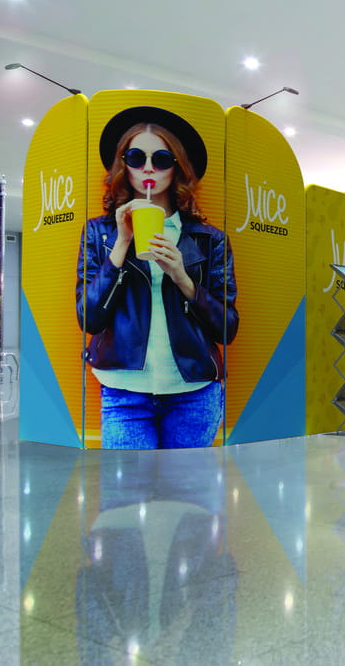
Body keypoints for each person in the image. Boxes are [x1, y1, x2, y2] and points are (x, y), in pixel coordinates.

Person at [76, 106, 239, 449]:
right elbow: (89, 319)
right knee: (130, 485)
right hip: (123, 391)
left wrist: (182, 277)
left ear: (177, 166)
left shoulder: (208, 239)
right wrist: (121, 244)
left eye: (162, 159)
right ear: (124, 165)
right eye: (137, 157)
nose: (148, 168)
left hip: (194, 392)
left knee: (187, 485)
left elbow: (227, 328)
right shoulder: (99, 233)